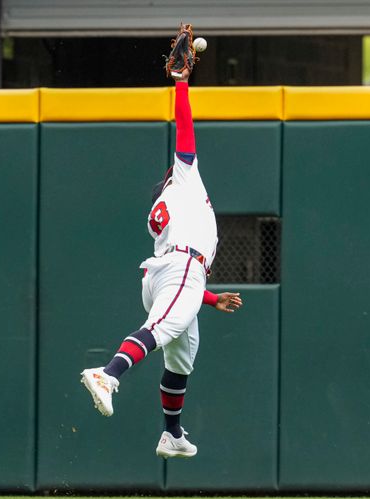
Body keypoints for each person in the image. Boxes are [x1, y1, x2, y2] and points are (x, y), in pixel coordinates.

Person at [80, 24, 243, 459]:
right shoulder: (185, 179)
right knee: (159, 329)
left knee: (181, 357)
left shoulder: (165, 210)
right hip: (181, 268)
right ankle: (108, 373)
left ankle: (171, 433)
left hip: (168, 272)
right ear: (172, 178)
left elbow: (179, 276)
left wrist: (209, 300)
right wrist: (183, 84)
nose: (181, 166)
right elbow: (185, 130)